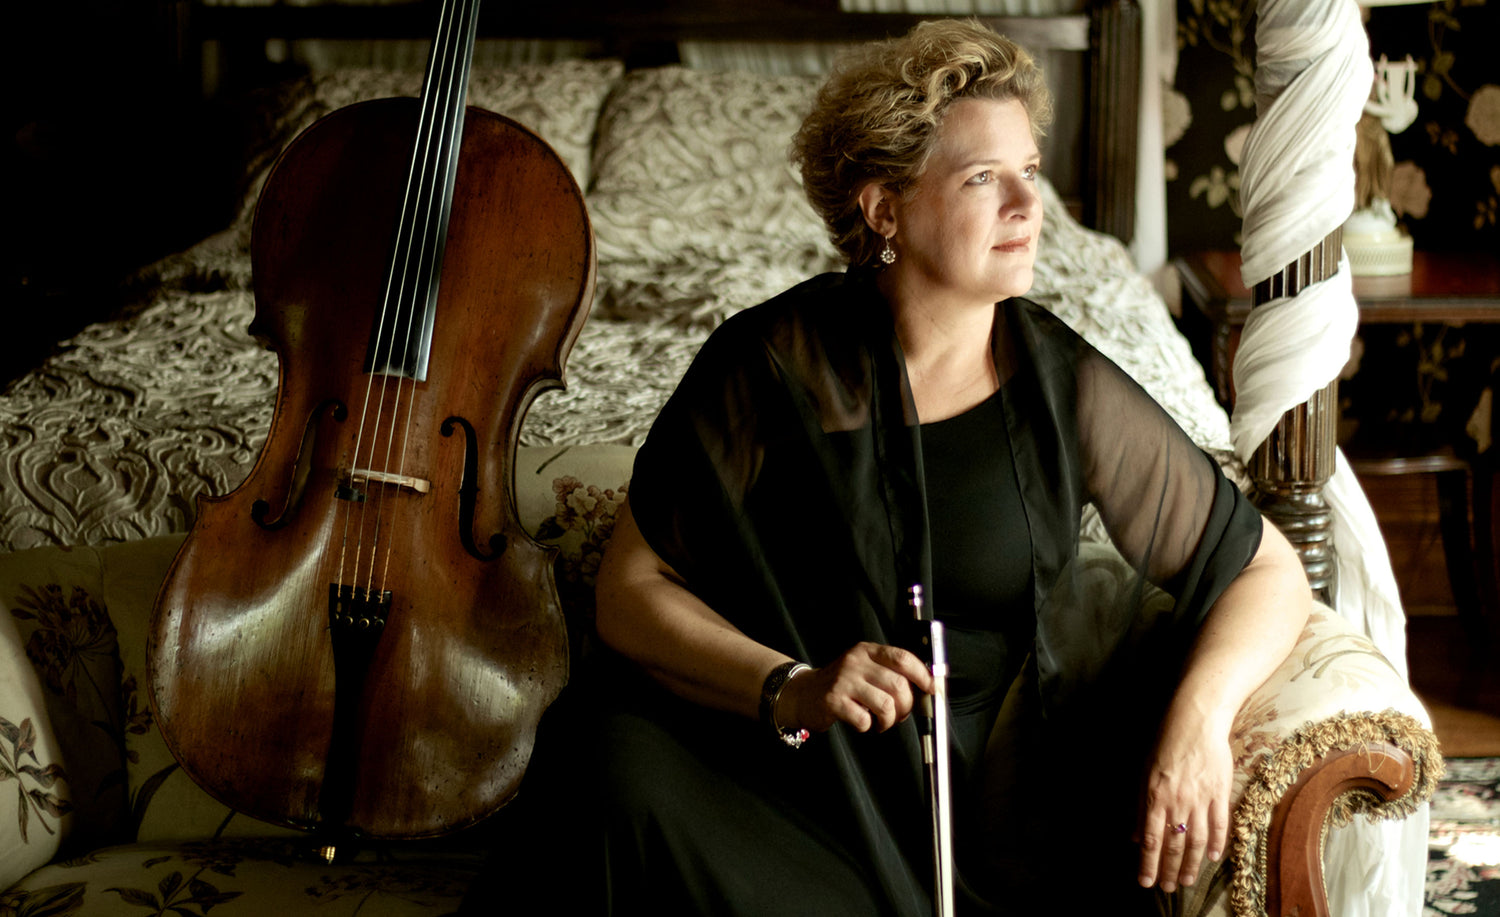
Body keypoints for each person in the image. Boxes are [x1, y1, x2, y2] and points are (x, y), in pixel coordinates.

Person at [464, 19, 1312, 916]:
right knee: (610, 768)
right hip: (746, 757)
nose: (1029, 207)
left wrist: (1199, 723)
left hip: (947, 827)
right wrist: (792, 683)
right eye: (985, 179)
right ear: (884, 209)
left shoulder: (1065, 389)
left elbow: (1266, 567)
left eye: (1030, 170)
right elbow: (630, 588)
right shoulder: (769, 364)